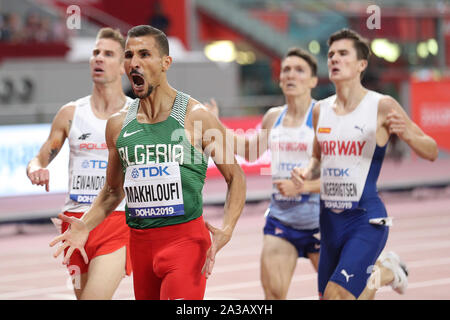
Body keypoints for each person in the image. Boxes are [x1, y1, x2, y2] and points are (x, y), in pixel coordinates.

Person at [49, 25, 246, 300]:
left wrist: (227, 228)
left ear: (166, 63)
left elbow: (235, 177)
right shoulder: (118, 124)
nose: (134, 63)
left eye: (144, 54)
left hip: (185, 244)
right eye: (129, 55)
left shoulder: (196, 117)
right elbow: (112, 191)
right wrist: (86, 223)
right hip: (141, 246)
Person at [291, 28, 438, 300]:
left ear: (361, 65)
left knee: (339, 295)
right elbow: (316, 157)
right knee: (341, 297)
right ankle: (386, 270)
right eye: (331, 54)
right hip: (329, 221)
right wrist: (305, 169)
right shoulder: (320, 110)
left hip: (366, 219)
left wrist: (406, 134)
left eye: (343, 53)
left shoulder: (381, 105)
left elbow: (431, 150)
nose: (334, 59)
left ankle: (383, 272)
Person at [27, 27, 133, 300]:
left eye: (108, 54)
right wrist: (37, 168)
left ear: (123, 66)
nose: (99, 58)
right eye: (95, 52)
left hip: (116, 220)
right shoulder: (71, 113)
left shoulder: (136, 115)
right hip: (73, 222)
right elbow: (40, 156)